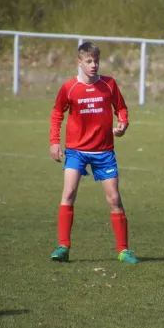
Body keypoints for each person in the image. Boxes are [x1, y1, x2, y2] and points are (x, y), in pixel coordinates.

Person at [49, 42, 138, 264]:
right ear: (79, 63)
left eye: (96, 61)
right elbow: (57, 113)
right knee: (68, 193)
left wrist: (123, 124)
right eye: (89, 61)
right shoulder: (69, 87)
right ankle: (63, 247)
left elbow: (122, 109)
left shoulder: (109, 85)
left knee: (115, 198)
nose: (94, 65)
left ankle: (123, 250)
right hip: (76, 151)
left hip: (104, 151)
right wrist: (54, 142)